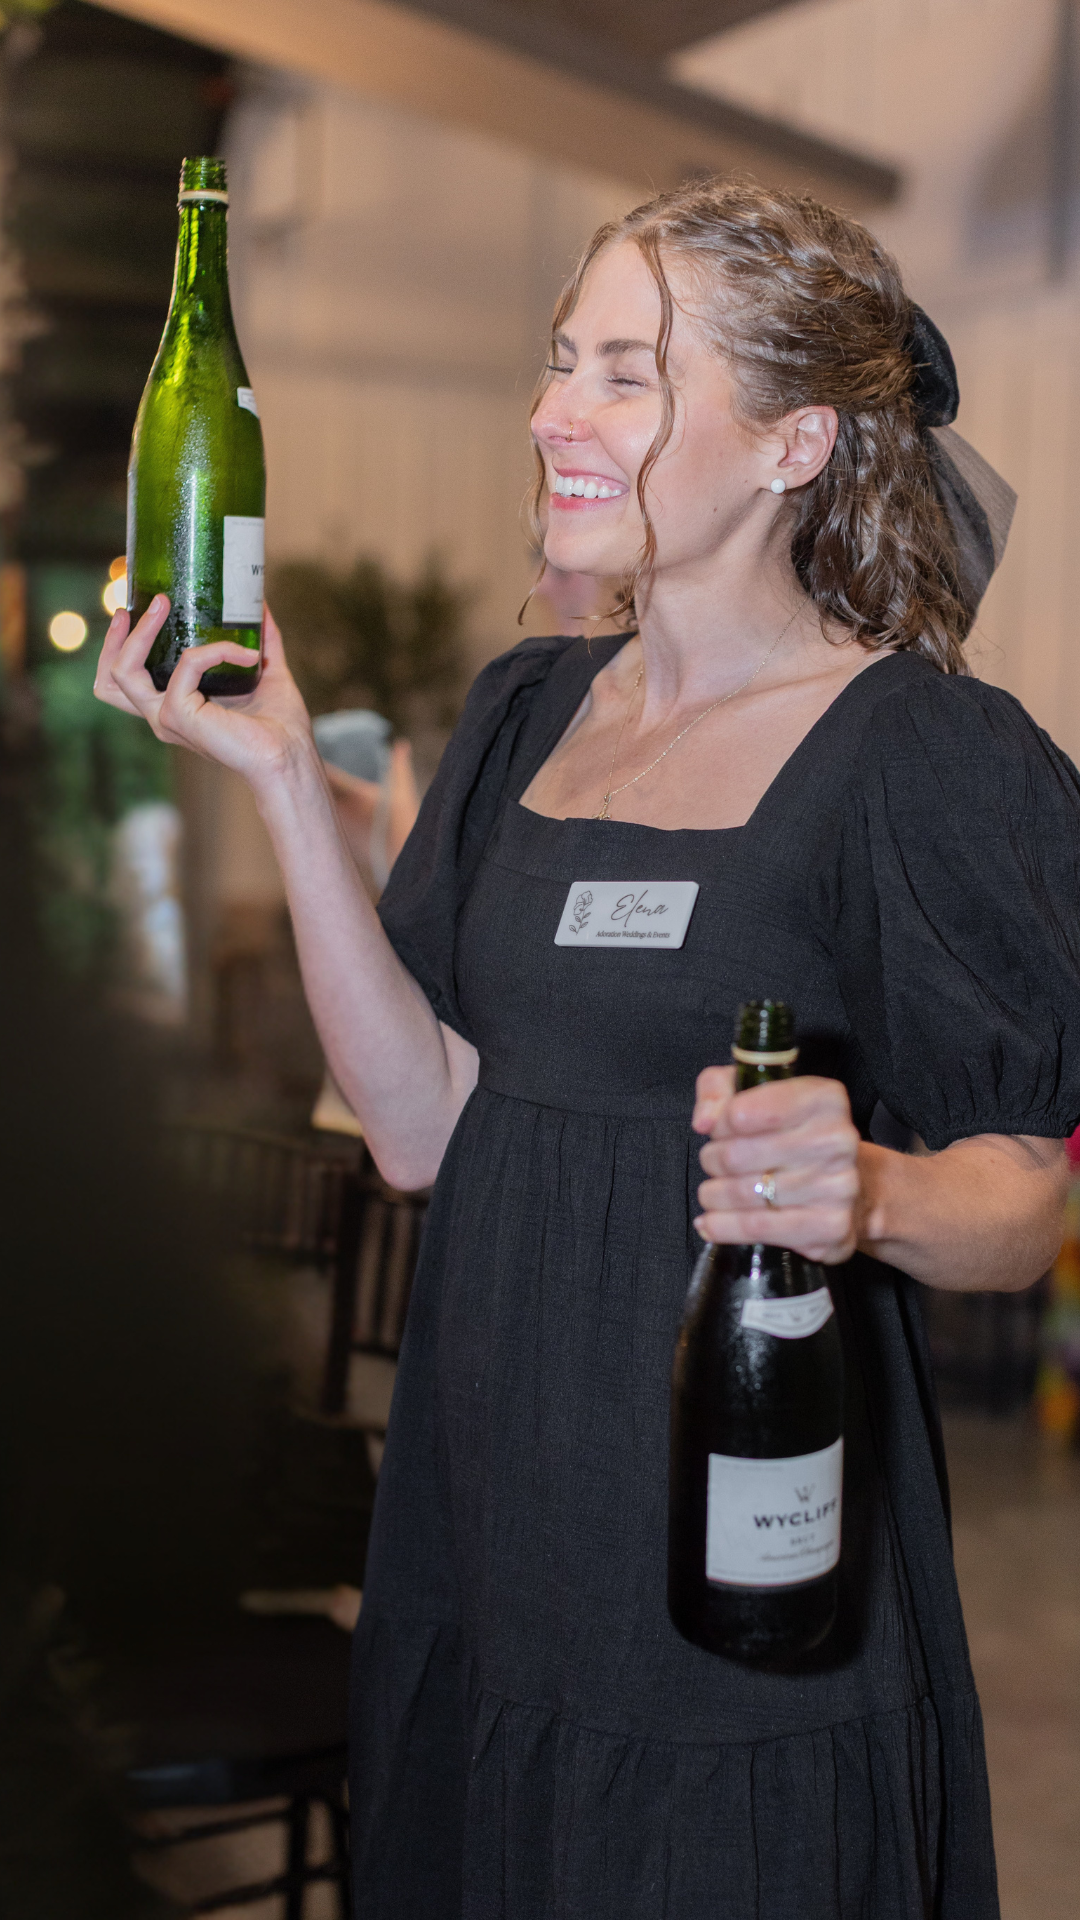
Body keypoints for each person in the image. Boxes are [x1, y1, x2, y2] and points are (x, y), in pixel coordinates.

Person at [94, 181, 1080, 1919]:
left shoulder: (926, 754)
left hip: (737, 1556)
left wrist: (866, 1193)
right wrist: (279, 778)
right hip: (488, 1525)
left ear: (793, 445)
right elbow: (419, 1127)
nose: (557, 412)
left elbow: (1020, 1207)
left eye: (630, 373)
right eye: (563, 362)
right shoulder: (522, 712)